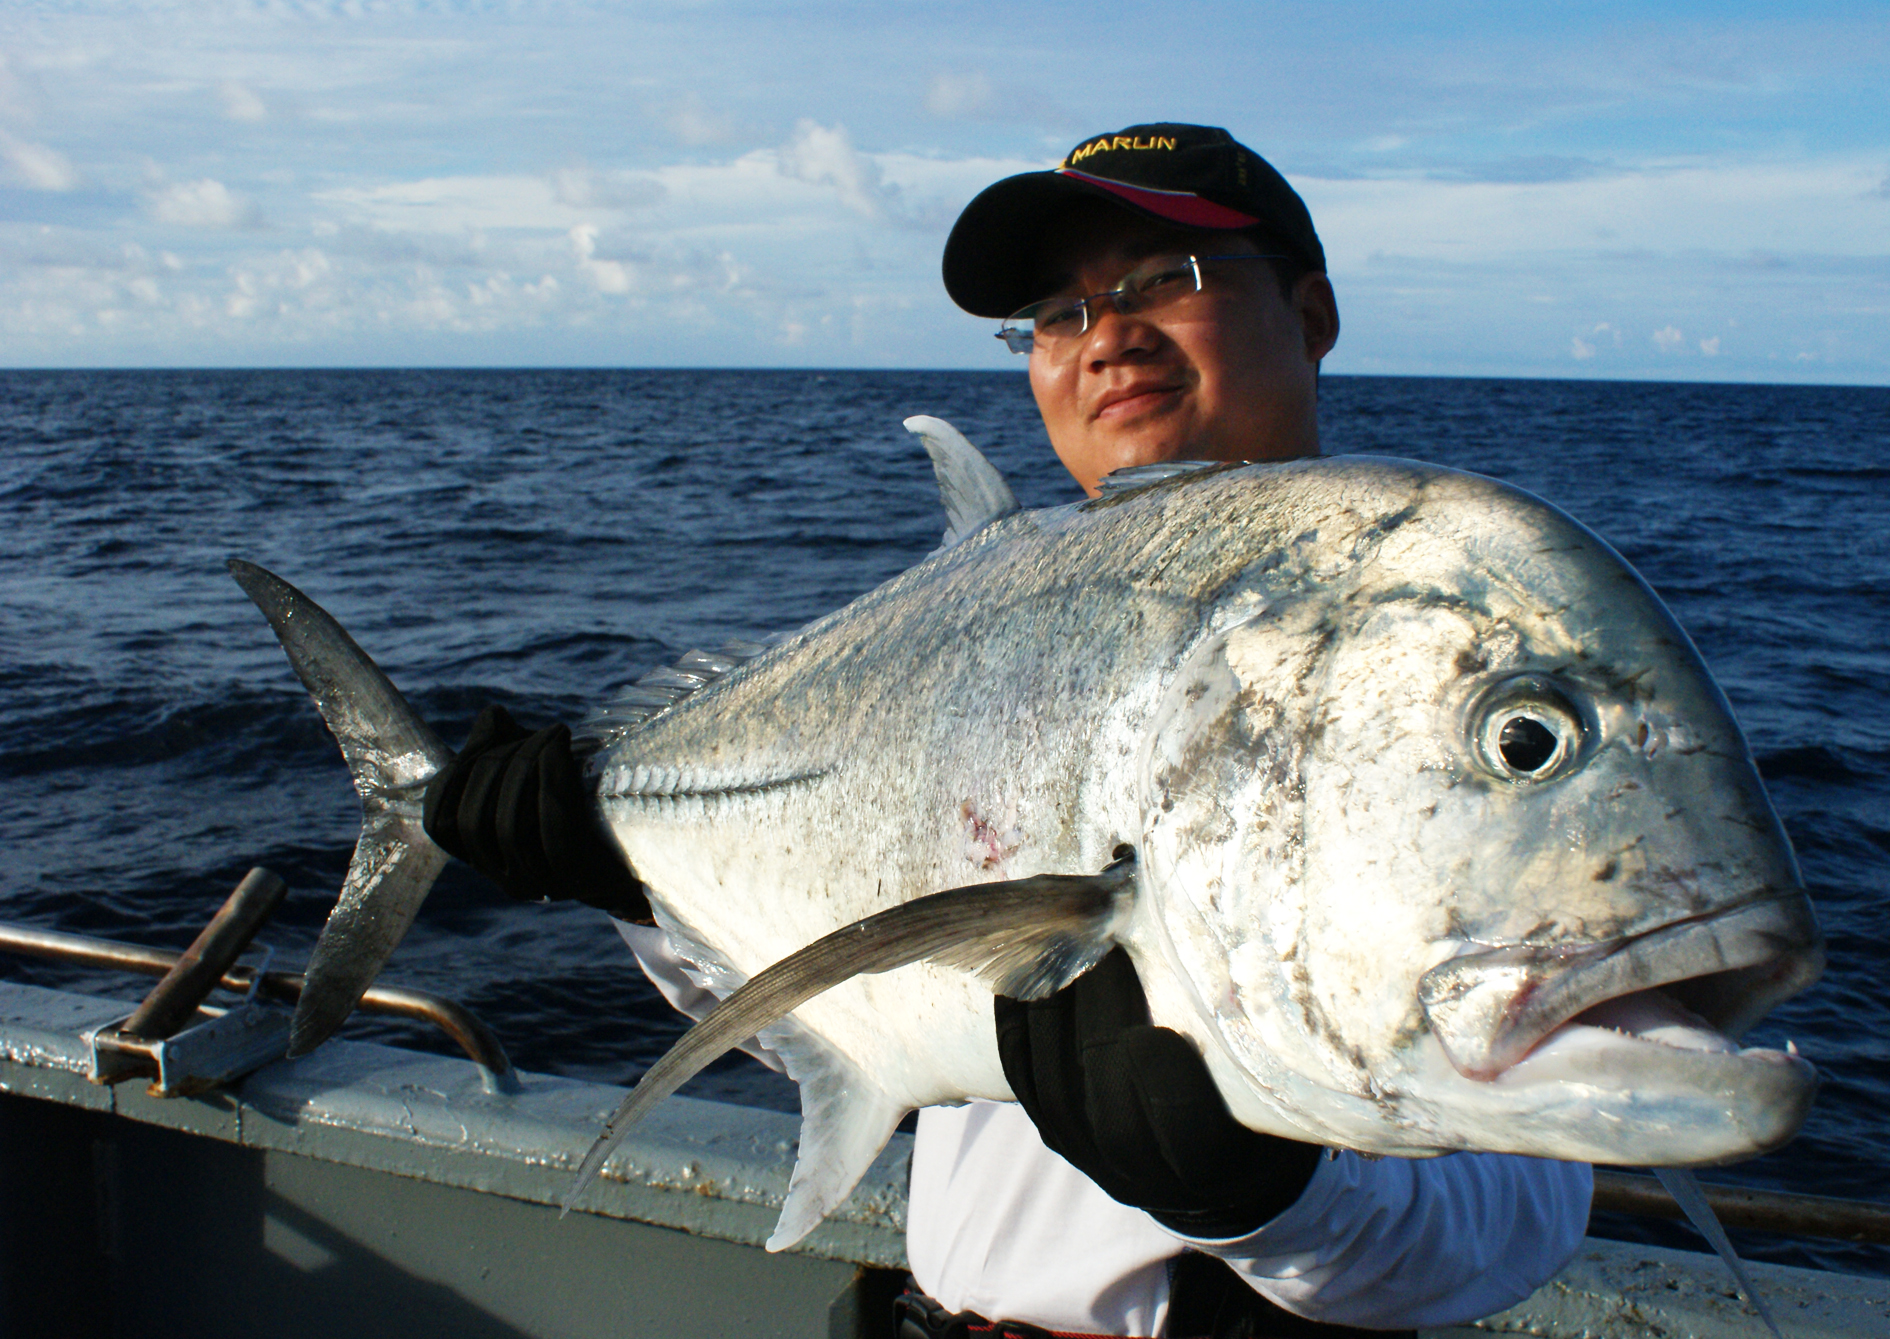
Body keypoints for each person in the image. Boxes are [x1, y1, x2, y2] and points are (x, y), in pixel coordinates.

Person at [424, 124, 1594, 1339]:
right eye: (1056, 312)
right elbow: (856, 1014)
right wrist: (629, 884)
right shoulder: (959, 655)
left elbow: (1517, 1207)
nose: (1106, 336)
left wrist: (1263, 1194)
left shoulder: (1429, 659)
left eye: (1163, 278)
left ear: (1309, 314)